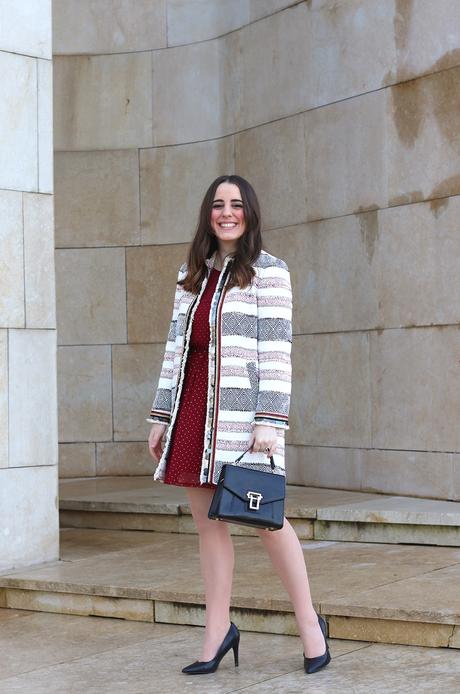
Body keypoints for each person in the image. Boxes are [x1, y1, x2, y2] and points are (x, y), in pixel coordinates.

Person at [146, 174, 331, 676]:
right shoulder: (191, 276)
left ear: (249, 212)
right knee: (209, 526)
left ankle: (310, 623)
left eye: (236, 204)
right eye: (217, 205)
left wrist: (270, 420)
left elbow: (276, 350)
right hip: (192, 415)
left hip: (243, 418)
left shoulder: (270, 272)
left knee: (266, 521)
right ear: (208, 214)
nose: (227, 213)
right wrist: (161, 415)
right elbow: (173, 352)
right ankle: (217, 631)